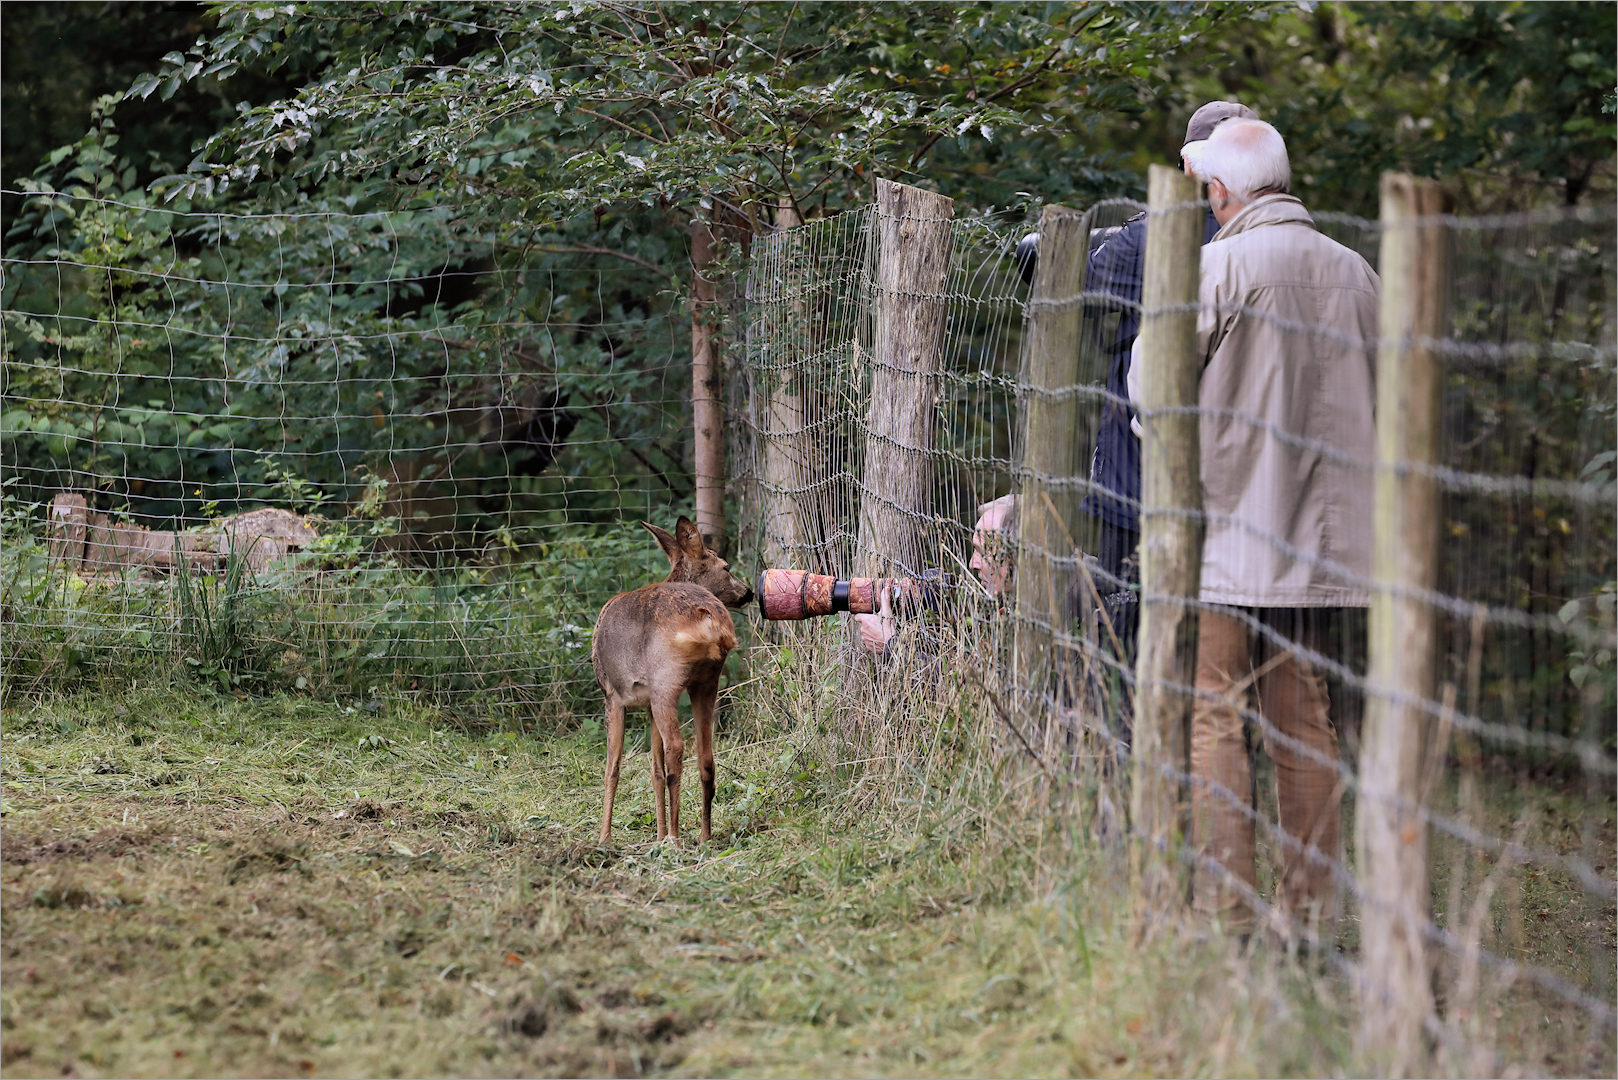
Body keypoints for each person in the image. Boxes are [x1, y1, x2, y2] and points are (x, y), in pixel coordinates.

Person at [1163, 117, 1378, 939]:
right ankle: (1313, 919)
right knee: (1304, 717)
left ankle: (1225, 913)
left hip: (1226, 536)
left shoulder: (1216, 265)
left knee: (1214, 711)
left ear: (1221, 190)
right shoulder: (1359, 274)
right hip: (1321, 543)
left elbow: (1157, 396)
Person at [1016, 101, 1257, 710]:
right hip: (1251, 491)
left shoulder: (1158, 235)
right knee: (1230, 668)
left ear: (1192, 165)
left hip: (1141, 483)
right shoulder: (1284, 242)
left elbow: (1058, 269)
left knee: (1132, 652)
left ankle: (1131, 779)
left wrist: (1077, 242)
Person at [852, 494, 1016, 656]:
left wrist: (891, 645)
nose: (972, 564)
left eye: (983, 551)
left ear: (1016, 555)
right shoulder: (1005, 607)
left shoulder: (1028, 626)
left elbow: (967, 680)